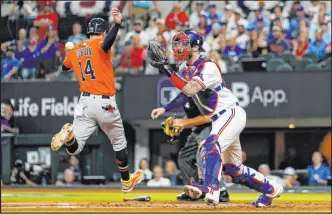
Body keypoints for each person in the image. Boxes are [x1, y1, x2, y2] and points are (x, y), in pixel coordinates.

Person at [149, 30, 283, 206]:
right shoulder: (184, 68)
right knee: (233, 170)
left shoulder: (208, 66)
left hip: (230, 113)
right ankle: (271, 189)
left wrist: (166, 69)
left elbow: (190, 89)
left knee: (210, 145)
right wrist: (165, 107)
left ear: (195, 46)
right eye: (177, 44)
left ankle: (211, 188)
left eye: (183, 44)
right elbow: (186, 95)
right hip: (219, 118)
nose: (179, 47)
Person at [50, 8, 143, 193]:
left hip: (84, 103)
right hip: (105, 102)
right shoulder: (102, 41)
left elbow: (64, 67)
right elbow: (106, 42)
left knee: (74, 149)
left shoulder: (77, 48)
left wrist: (74, 51)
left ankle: (69, 138)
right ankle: (126, 181)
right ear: (102, 31)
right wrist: (117, 25)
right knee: (119, 144)